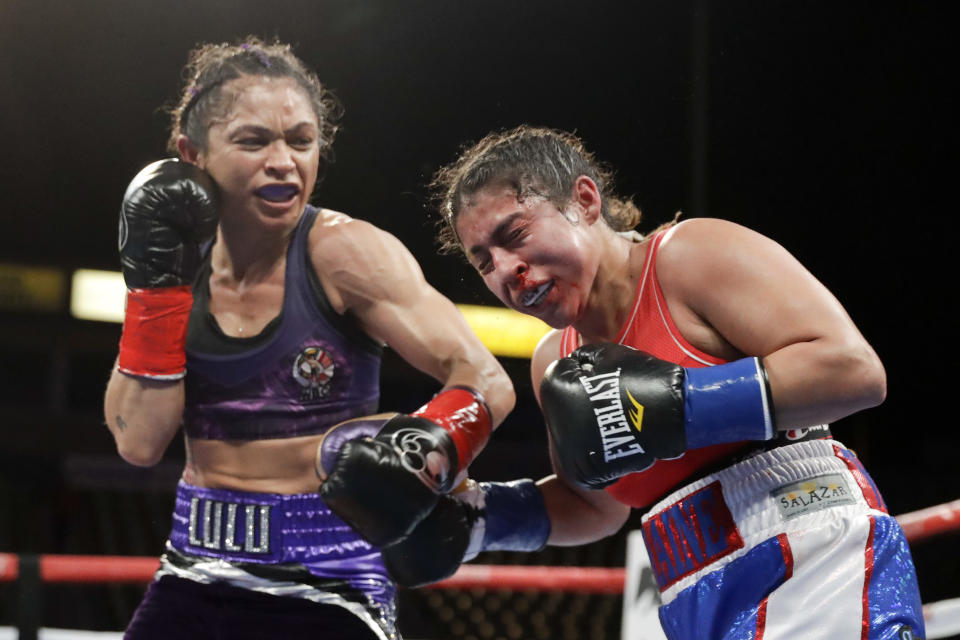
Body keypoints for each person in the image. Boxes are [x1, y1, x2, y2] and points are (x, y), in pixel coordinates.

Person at [409, 125, 925, 639]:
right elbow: (595, 505)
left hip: (811, 553)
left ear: (585, 201)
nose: (505, 270)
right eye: (483, 262)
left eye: (514, 235)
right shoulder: (555, 361)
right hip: (690, 592)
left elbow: (853, 370)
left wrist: (681, 405)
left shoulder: (687, 257)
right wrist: (484, 518)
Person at [102, 37, 520, 640]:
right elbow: (139, 442)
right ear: (191, 154)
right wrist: (154, 293)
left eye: (301, 141)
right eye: (254, 141)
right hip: (194, 573)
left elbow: (485, 379)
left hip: (332, 587)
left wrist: (428, 448)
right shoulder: (173, 263)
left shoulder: (345, 253)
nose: (283, 161)